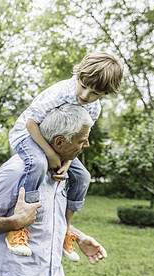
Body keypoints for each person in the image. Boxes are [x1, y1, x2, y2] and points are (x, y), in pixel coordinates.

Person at [0, 104, 108, 276]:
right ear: (59, 142)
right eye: (82, 140)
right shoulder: (17, 171)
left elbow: (48, 219)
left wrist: (77, 236)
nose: (86, 145)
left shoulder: (63, 172)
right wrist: (13, 222)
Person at [7, 52, 123, 259]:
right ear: (78, 74)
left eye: (95, 92)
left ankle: (65, 230)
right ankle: (17, 227)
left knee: (83, 177)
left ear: (105, 94)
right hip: (29, 136)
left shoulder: (93, 108)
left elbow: (79, 138)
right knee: (38, 164)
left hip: (58, 144)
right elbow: (31, 123)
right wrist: (51, 155)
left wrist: (67, 162)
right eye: (83, 85)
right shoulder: (61, 93)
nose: (86, 95)